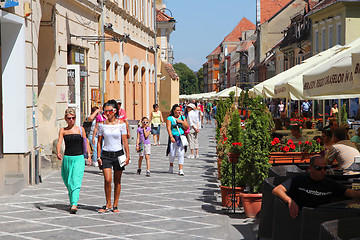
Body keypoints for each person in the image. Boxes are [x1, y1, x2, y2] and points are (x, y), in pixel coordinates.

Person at [272, 155, 360, 219]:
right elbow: (277, 189)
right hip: (301, 218)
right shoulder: (299, 179)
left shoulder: (330, 183)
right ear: (311, 168)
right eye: (318, 168)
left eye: (325, 168)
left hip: (323, 219)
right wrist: (290, 201)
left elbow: (352, 193)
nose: (322, 171)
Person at [97, 100, 130, 213]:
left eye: (109, 110)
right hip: (106, 154)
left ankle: (115, 204)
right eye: (105, 111)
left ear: (115, 111)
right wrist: (98, 156)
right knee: (107, 179)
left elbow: (125, 141)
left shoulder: (121, 124)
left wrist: (127, 155)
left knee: (117, 181)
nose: (107, 113)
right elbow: (99, 142)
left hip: (118, 154)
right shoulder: (102, 125)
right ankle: (108, 203)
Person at [56, 108, 91, 214]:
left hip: (78, 158)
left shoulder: (80, 129)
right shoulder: (63, 130)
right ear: (65, 118)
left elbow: (86, 143)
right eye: (69, 118)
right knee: (67, 180)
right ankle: (72, 199)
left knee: (75, 180)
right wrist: (58, 152)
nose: (71, 120)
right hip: (67, 158)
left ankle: (74, 204)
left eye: (73, 118)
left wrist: (89, 156)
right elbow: (59, 142)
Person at [166, 104, 189, 176]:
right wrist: (171, 137)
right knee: (172, 153)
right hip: (173, 137)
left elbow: (186, 127)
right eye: (177, 110)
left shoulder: (182, 117)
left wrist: (181, 122)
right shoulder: (170, 118)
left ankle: (180, 169)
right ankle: (171, 165)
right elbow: (168, 128)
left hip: (181, 137)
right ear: (174, 111)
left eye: (180, 110)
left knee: (181, 153)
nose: (179, 111)